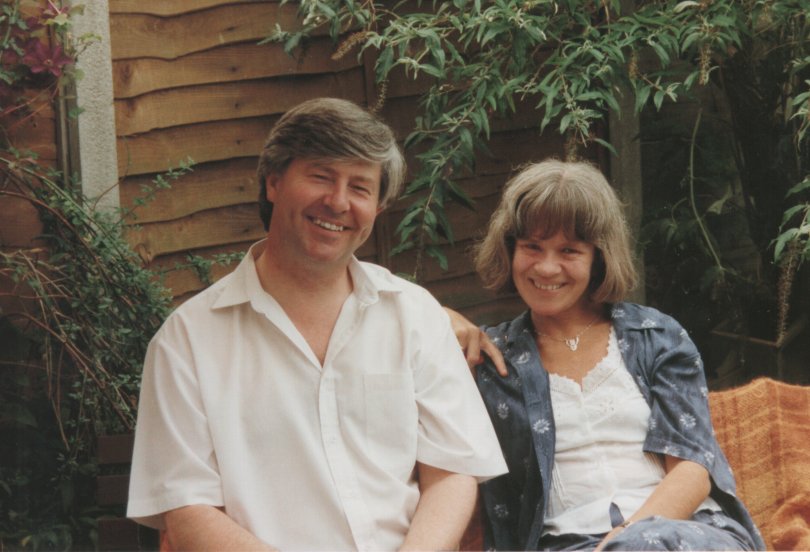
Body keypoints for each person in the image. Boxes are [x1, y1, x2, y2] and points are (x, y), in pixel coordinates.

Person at [126, 97, 507, 551]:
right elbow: (188, 512)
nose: (338, 202)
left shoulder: (416, 315)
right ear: (273, 182)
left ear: (377, 208)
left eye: (360, 187)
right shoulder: (186, 341)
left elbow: (453, 472)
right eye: (321, 177)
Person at [446, 159, 764, 551]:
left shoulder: (655, 336)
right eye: (532, 247)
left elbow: (692, 468)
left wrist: (626, 537)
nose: (547, 268)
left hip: (687, 532)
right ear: (510, 250)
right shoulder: (494, 359)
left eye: (569, 250)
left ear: (598, 256)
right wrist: (436, 315)